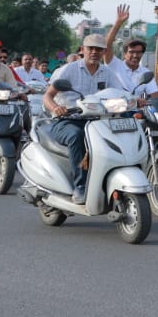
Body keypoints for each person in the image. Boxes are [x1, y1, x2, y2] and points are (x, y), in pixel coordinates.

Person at [44, 34, 119, 201]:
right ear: (82, 50)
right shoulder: (68, 70)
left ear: (104, 51)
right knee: (77, 136)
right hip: (67, 121)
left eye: (99, 49)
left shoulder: (108, 73)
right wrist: (56, 108)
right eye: (90, 48)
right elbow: (47, 96)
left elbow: (119, 94)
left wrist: (136, 100)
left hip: (98, 122)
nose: (94, 52)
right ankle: (81, 186)